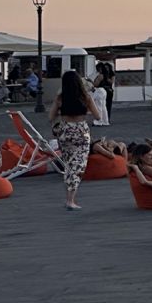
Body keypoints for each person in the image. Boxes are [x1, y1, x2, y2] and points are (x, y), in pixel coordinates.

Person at [50, 69, 96, 210]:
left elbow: (51, 117)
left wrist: (62, 111)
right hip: (81, 132)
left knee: (70, 165)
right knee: (78, 166)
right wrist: (84, 111)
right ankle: (70, 200)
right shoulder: (85, 97)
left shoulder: (60, 98)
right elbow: (98, 116)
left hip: (65, 132)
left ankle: (70, 198)